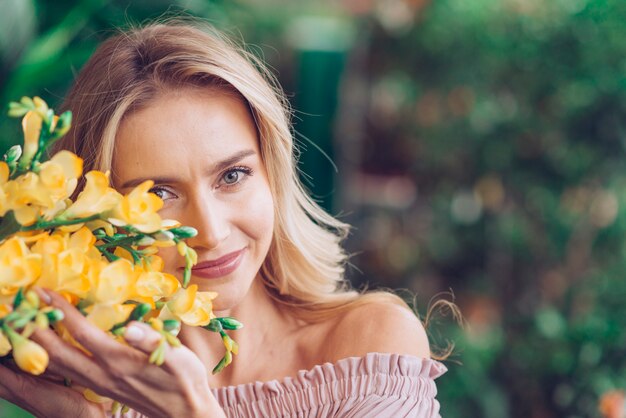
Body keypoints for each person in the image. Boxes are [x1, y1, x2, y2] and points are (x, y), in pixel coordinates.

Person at [0, 20, 446, 417]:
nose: (210, 232)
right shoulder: (89, 392)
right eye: (157, 194)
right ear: (95, 215)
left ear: (272, 172)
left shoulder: (370, 346)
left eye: (232, 175)